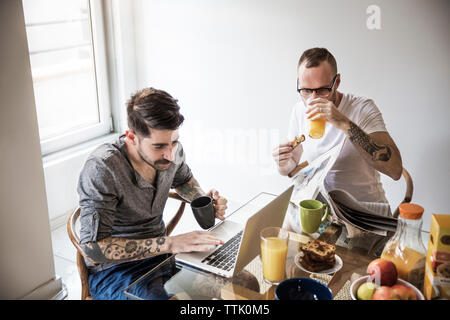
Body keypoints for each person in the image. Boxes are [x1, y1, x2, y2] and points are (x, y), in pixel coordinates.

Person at [77, 87, 228, 299]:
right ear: (132, 137)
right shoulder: (103, 167)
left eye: (174, 141)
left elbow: (184, 180)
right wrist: (170, 243)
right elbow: (93, 250)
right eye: (158, 146)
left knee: (235, 281)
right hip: (115, 271)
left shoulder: (172, 151)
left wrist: (202, 200)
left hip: (162, 256)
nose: (169, 154)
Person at [273, 48, 403, 251]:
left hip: (363, 217)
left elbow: (395, 169)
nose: (312, 99)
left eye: (322, 90)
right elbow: (294, 167)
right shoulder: (299, 110)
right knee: (281, 248)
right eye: (306, 90)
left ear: (337, 82)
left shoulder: (362, 108)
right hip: (323, 213)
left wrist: (342, 122)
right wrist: (283, 164)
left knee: (350, 276)